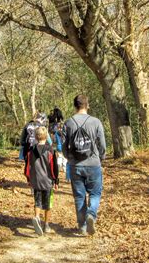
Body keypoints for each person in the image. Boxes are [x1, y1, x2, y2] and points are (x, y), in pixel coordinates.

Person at [63, 95, 106, 236]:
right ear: (87, 105)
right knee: (95, 193)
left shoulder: (69, 122)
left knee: (79, 196)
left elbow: (64, 145)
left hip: (76, 165)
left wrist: (69, 157)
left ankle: (82, 226)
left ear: (75, 105)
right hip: (93, 163)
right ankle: (91, 215)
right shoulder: (96, 122)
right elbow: (102, 144)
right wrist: (101, 158)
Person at [24, 126, 59, 236]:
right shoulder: (50, 150)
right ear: (46, 136)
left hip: (35, 180)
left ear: (36, 136)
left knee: (37, 201)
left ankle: (37, 218)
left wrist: (29, 179)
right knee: (48, 203)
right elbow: (54, 168)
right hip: (47, 181)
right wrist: (56, 180)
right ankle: (47, 225)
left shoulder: (31, 150)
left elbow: (27, 166)